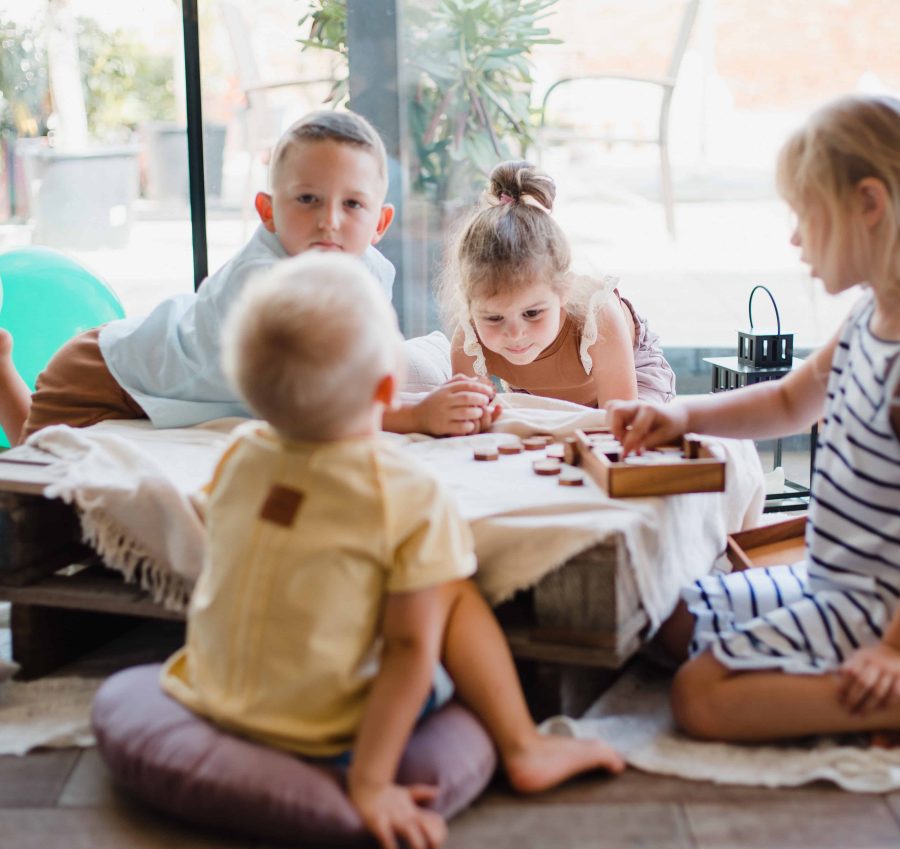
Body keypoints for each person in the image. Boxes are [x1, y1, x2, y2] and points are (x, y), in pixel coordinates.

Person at [161, 252, 624, 849]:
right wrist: (371, 784)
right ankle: (524, 746)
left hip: (211, 692)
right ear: (387, 391)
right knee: (448, 590)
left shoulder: (241, 453)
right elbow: (409, 649)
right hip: (324, 726)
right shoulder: (404, 491)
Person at [606, 94, 900, 744]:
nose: (794, 238)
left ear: (869, 203)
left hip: (883, 609)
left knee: (701, 695)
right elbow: (790, 401)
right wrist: (681, 415)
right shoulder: (865, 319)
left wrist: (891, 652)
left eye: (804, 215)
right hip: (829, 580)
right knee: (665, 620)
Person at [0, 109, 495, 447]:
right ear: (267, 210)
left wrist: (462, 402)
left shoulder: (368, 270)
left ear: (380, 223)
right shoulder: (265, 286)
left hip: (150, 374)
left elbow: (364, 371)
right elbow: (314, 400)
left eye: (352, 204)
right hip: (103, 373)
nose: (329, 221)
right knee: (32, 458)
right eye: (307, 199)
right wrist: (415, 415)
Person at [443, 160, 675, 409]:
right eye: (493, 318)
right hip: (540, 395)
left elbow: (620, 418)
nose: (515, 334)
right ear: (469, 305)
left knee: (639, 426)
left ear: (563, 290)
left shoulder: (598, 316)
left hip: (633, 381)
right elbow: (471, 420)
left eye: (532, 313)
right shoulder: (469, 340)